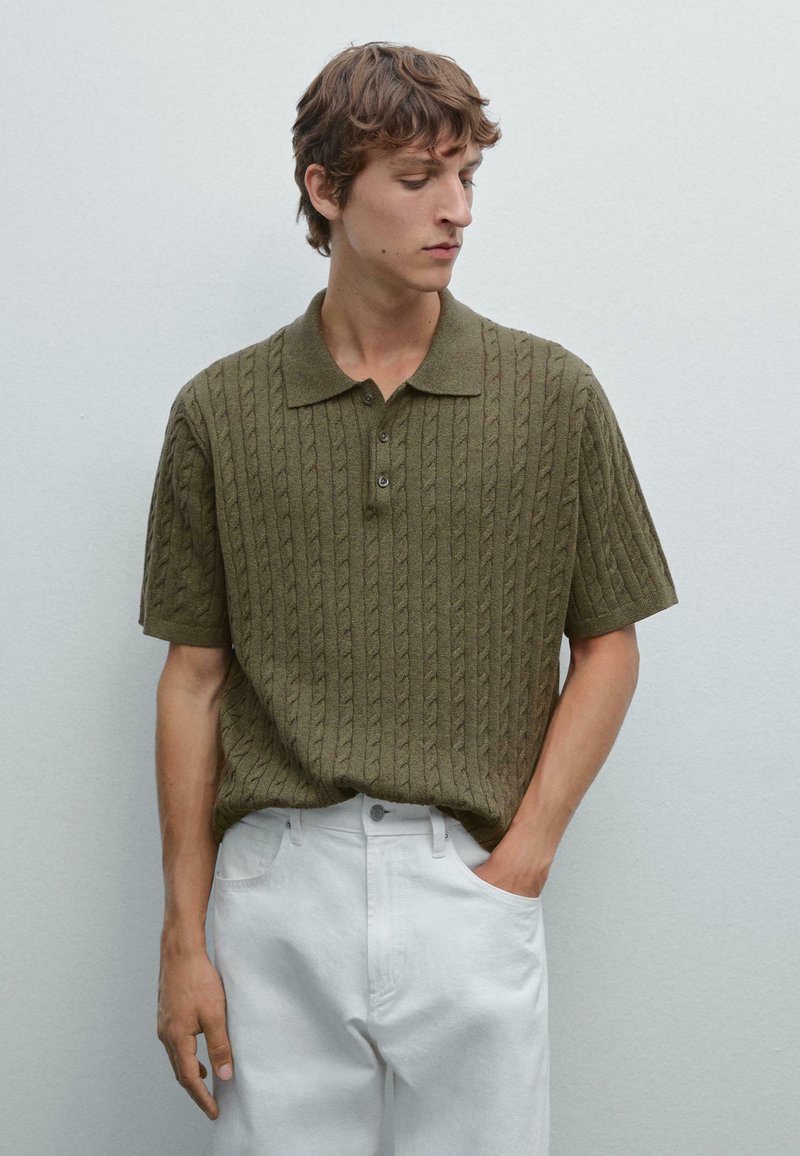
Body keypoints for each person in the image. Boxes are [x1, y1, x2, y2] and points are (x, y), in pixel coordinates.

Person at [138, 40, 679, 1156]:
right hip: (275, 890)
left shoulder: (552, 394)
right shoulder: (219, 412)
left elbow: (609, 645)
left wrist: (521, 861)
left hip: (468, 879)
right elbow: (192, 679)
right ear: (326, 189)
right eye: (418, 177)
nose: (456, 210)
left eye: (466, 176)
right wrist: (183, 936)